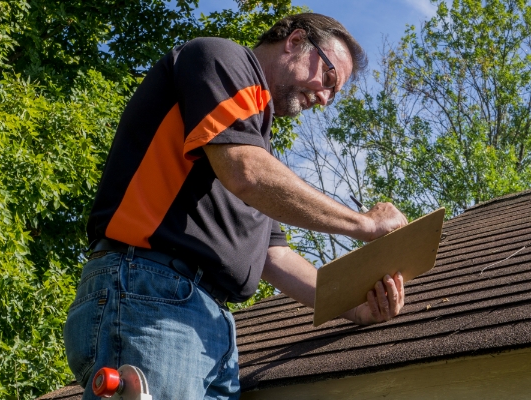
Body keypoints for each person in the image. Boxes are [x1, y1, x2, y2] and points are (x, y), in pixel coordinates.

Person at [63, 13, 408, 400]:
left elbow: (273, 257)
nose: (326, 98)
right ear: (295, 41)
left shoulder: (255, 145)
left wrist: (354, 307)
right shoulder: (221, 59)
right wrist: (364, 224)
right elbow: (246, 172)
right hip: (153, 295)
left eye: (335, 93)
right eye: (328, 78)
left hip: (208, 323)